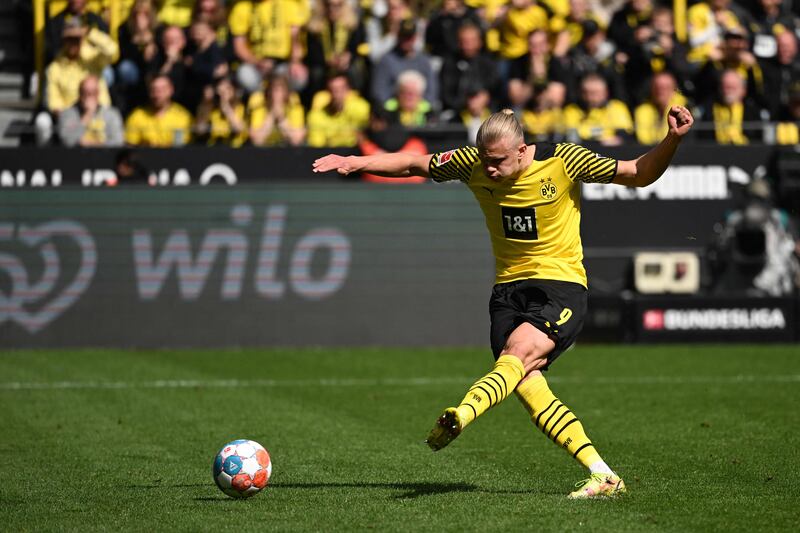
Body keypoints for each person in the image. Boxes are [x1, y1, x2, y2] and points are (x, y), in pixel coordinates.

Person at [312, 104, 695, 498]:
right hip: (507, 292)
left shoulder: (563, 159)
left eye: (497, 161)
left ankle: (463, 412)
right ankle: (603, 475)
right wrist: (356, 160)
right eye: (485, 159)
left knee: (517, 352)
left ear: (521, 149)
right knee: (527, 382)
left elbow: (638, 173)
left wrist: (673, 139)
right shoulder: (471, 162)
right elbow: (414, 164)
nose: (489, 168)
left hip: (560, 285)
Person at [57, 75, 124, 147]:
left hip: (104, 156)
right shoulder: (68, 114)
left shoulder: (112, 114)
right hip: (76, 156)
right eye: (85, 92)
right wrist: (87, 115)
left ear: (98, 93)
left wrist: (92, 145)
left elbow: (118, 142)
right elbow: (67, 141)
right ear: (79, 93)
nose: (88, 96)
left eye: (93, 92)